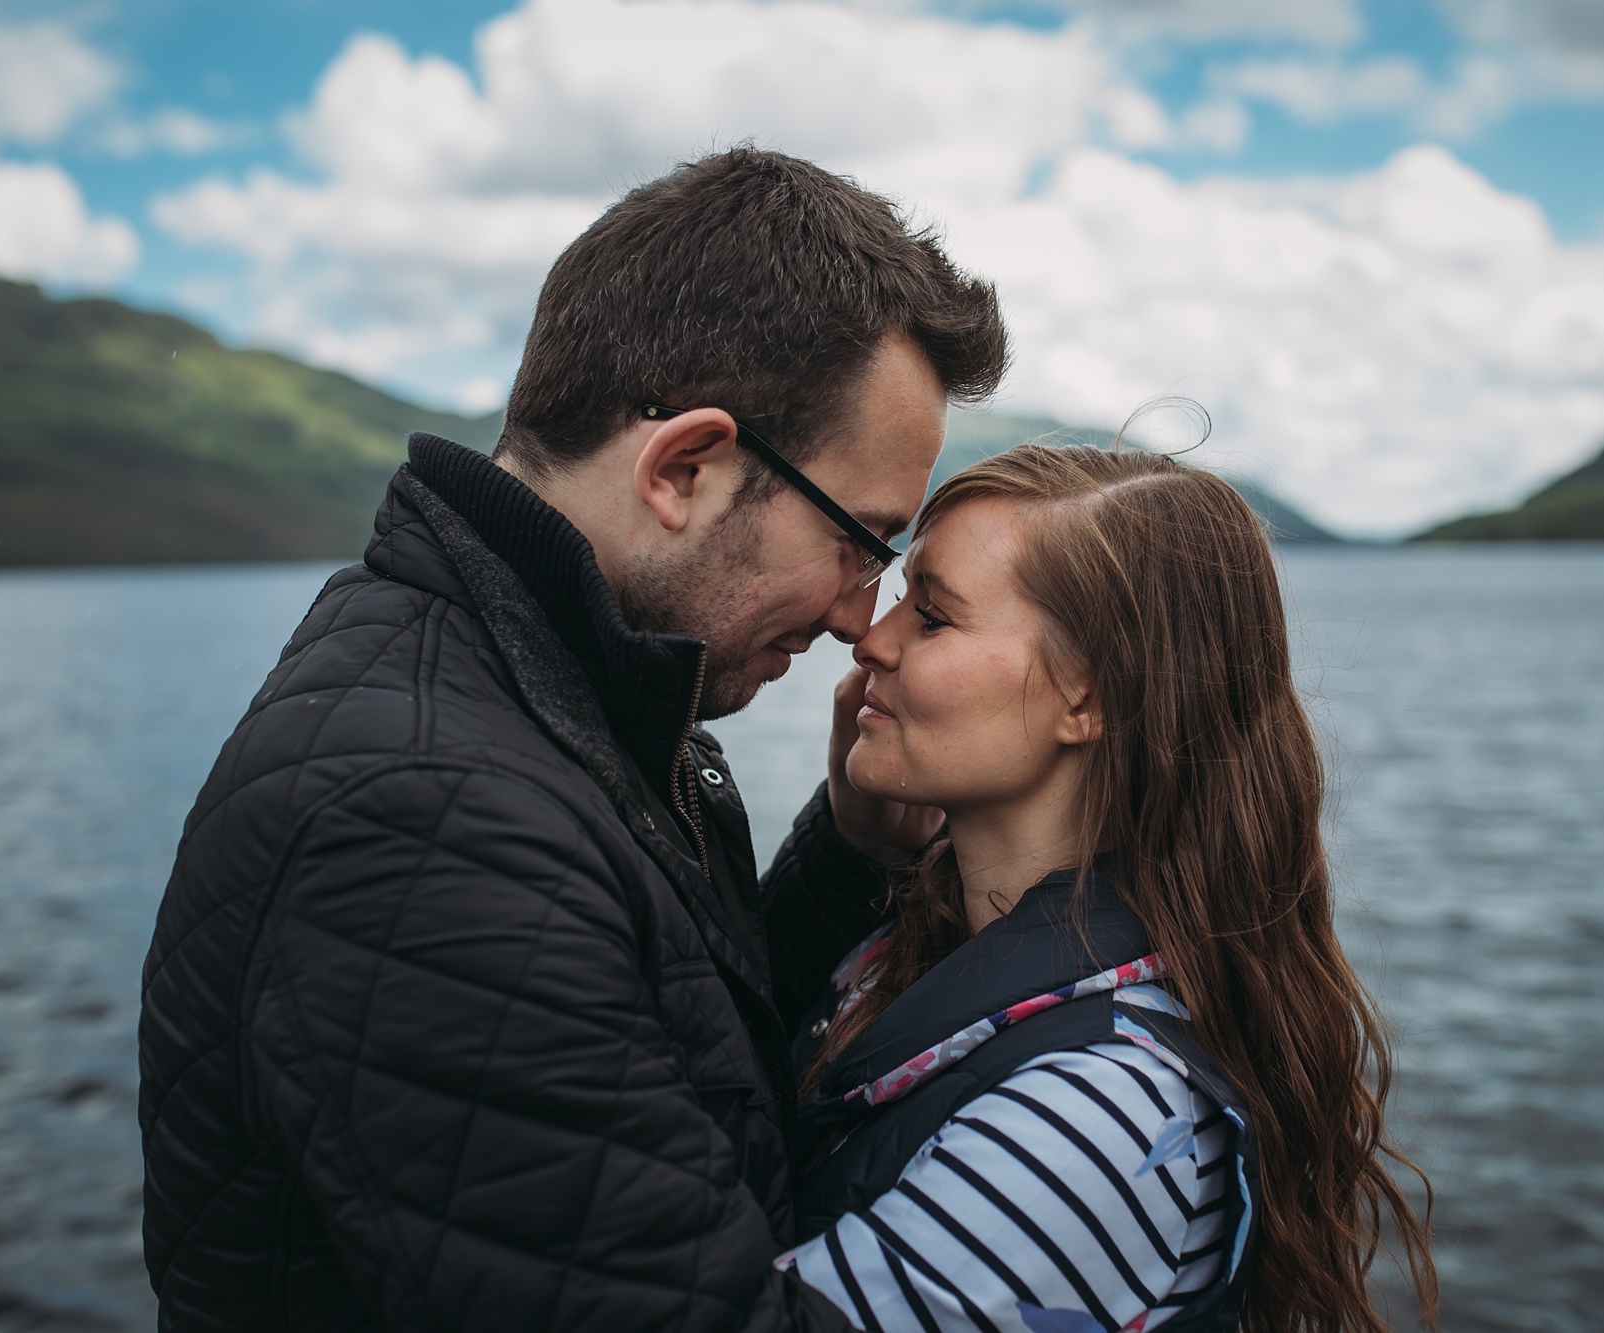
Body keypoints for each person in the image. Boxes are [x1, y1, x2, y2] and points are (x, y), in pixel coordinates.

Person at [137, 148, 1006, 1332]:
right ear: (683, 468)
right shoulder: (426, 819)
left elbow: (678, 1056)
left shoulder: (554, 691)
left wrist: (850, 859)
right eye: (858, 540)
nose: (862, 615)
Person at [778, 443, 1439, 1333]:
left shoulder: (1104, 1118)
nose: (871, 638)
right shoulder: (915, 940)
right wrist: (848, 856)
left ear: (1089, 697)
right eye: (899, 600)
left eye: (931, 618)